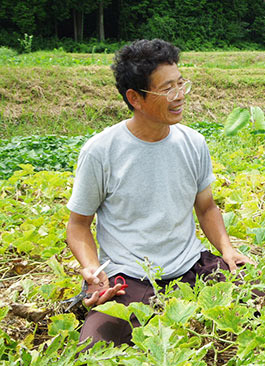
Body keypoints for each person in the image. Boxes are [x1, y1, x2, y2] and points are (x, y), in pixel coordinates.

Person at [65, 39, 254, 347]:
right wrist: (91, 269)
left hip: (191, 267)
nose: (179, 96)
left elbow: (206, 208)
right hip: (130, 277)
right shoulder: (101, 151)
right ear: (135, 98)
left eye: (181, 84)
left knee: (262, 301)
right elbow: (77, 225)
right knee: (94, 345)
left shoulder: (193, 142)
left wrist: (227, 249)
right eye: (167, 89)